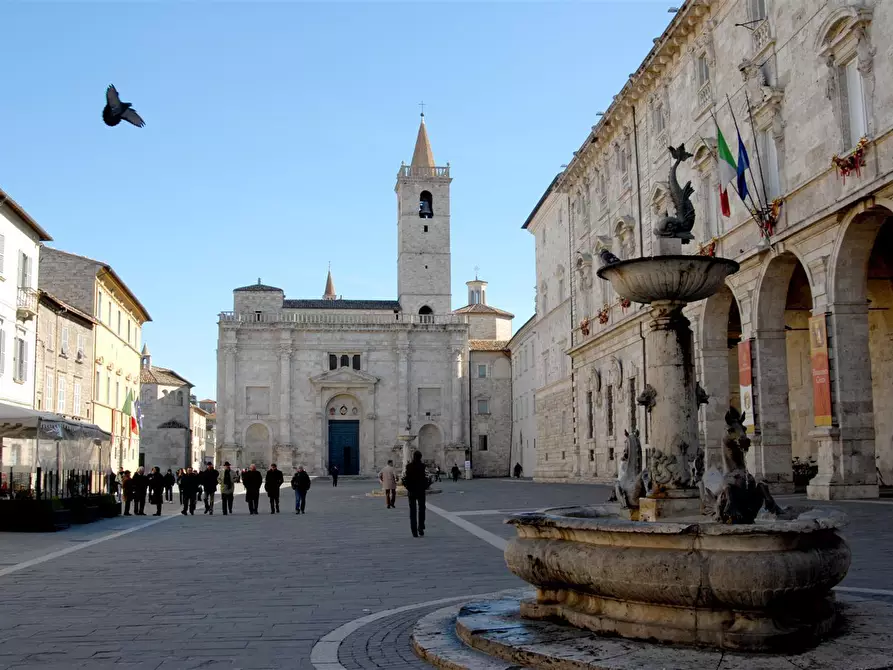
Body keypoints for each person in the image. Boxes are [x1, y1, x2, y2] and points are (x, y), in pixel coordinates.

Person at [403, 450, 430, 538]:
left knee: (412, 511)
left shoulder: (408, 466)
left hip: (411, 491)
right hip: (421, 491)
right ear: (420, 457)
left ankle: (414, 531)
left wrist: (408, 487)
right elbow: (428, 477)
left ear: (413, 457)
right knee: (422, 509)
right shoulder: (423, 466)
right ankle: (421, 527)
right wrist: (425, 486)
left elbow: (404, 478)